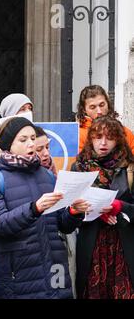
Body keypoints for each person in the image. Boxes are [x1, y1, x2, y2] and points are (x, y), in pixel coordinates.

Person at [0, 117, 89, 299]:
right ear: (9, 145)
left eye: (33, 138)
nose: (31, 143)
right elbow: (0, 224)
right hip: (18, 271)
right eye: (23, 140)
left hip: (55, 267)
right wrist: (35, 208)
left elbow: (62, 225)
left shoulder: (47, 176)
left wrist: (73, 212)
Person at [73, 116, 134, 299]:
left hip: (123, 246)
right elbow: (65, 217)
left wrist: (120, 206)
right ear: (90, 138)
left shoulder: (129, 168)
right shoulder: (79, 167)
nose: (103, 142)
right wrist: (91, 211)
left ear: (118, 140)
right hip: (92, 246)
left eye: (110, 137)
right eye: (98, 137)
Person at [76, 85, 134, 153]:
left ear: (108, 104)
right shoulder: (78, 135)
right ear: (84, 110)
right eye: (92, 107)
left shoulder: (125, 132)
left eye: (102, 105)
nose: (99, 111)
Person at [0, 93, 34, 162]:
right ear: (10, 113)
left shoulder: (36, 140)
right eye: (22, 109)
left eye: (30, 108)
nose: (29, 112)